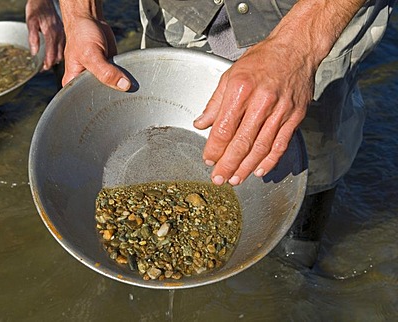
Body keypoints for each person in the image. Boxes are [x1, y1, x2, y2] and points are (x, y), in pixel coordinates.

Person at [58, 0, 394, 268]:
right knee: (164, 129)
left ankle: (297, 261)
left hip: (314, 17)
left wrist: (298, 48)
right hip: (181, 12)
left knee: (309, 154)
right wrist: (80, 13)